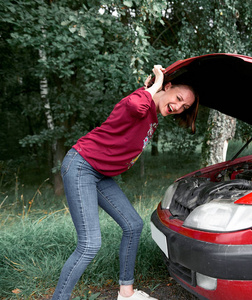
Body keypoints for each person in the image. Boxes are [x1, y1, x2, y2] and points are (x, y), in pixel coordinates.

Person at [52, 65, 199, 300]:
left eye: (185, 107)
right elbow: (134, 105)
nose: (178, 107)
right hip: (81, 165)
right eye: (178, 99)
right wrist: (155, 84)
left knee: (133, 225)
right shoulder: (140, 101)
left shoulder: (152, 113)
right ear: (167, 87)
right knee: (90, 244)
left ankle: (126, 293)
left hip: (99, 174)